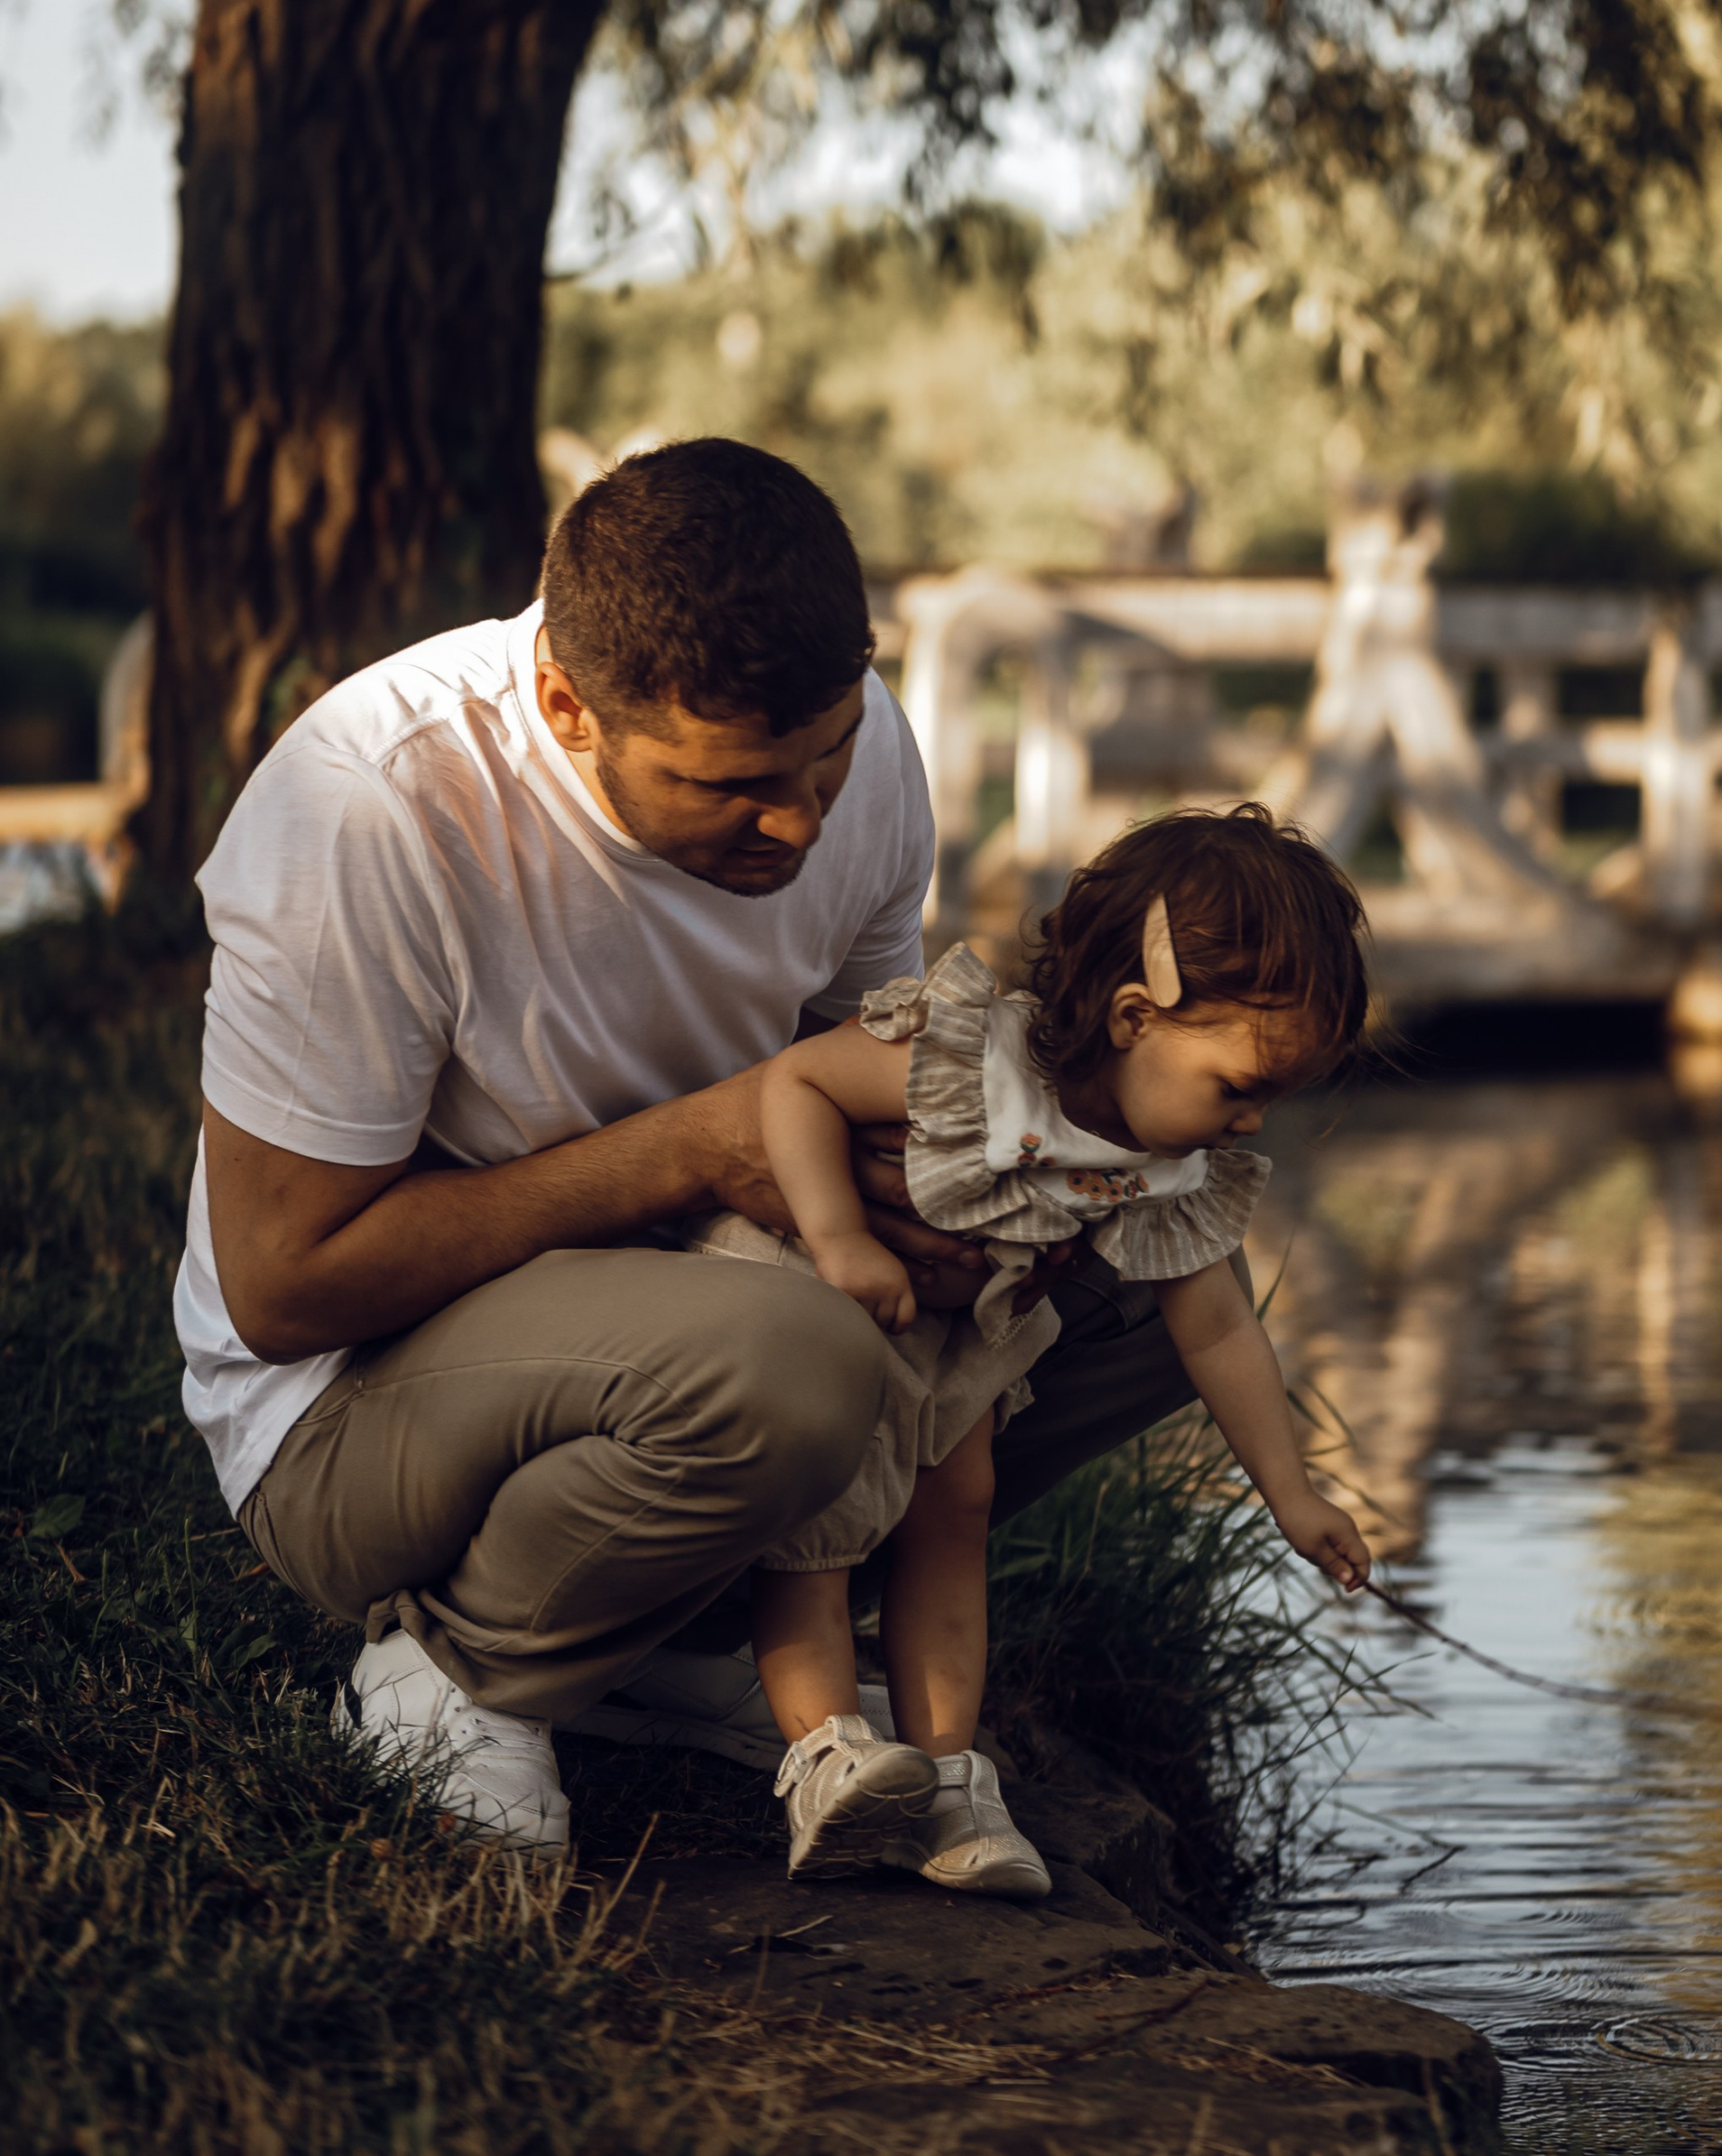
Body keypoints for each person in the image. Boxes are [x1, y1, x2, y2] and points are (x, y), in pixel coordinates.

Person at [180, 440, 1242, 1852]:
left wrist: (940, 1190)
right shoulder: (371, 808)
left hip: (687, 1300)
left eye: (827, 755)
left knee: (1160, 1259)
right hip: (350, 1419)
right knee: (793, 1361)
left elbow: (857, 1076)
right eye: (730, 784)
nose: (798, 820)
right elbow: (285, 1284)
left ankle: (673, 1640)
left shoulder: (858, 751)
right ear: (567, 703)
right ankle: (457, 1671)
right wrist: (686, 1151)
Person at [742, 809, 1375, 1899]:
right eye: (1241, 1087)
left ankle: (946, 1777)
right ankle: (825, 1755)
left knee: (960, 1503)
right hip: (832, 1303)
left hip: (960, 1341)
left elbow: (1219, 1322)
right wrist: (839, 1235)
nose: (1252, 1124)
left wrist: (1291, 1491)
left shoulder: (1165, 1156)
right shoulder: (969, 1062)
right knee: (830, 1512)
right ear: (1135, 1017)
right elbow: (793, 1083)